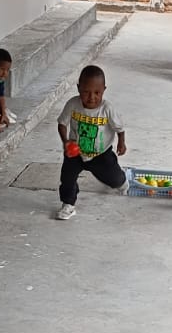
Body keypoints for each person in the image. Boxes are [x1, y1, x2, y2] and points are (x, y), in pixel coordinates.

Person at [55, 65, 128, 221]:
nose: (91, 97)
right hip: (75, 152)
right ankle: (68, 204)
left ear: (104, 90)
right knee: (67, 178)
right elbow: (62, 124)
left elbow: (119, 128)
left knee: (113, 179)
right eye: (86, 92)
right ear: (78, 88)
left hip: (101, 154)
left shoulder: (107, 109)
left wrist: (121, 142)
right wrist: (66, 142)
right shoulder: (73, 104)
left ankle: (122, 182)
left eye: (97, 93)